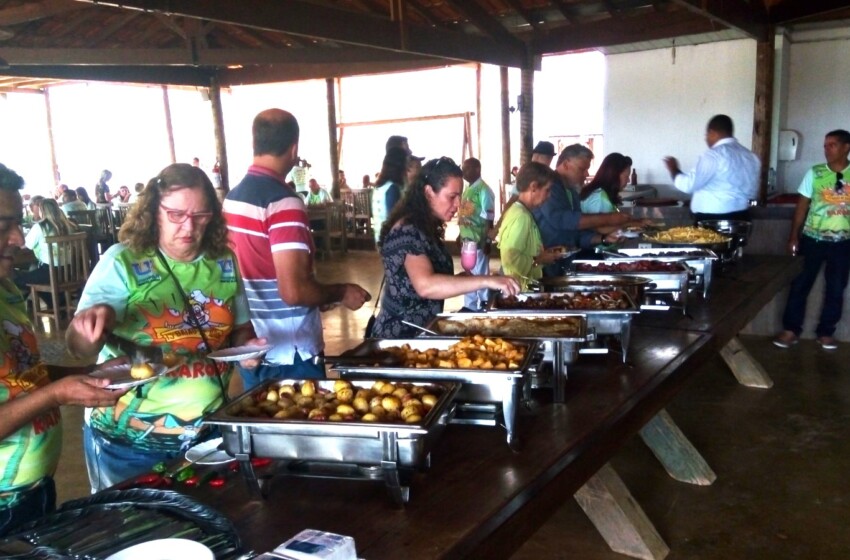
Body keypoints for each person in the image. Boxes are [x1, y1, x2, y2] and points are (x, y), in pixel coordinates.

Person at [65, 163, 263, 492]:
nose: (189, 226)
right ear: (154, 211)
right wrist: (87, 329)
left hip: (206, 435)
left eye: (200, 216)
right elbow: (78, 347)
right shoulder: (121, 263)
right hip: (128, 444)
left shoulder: (224, 262)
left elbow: (240, 329)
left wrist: (249, 350)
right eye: (176, 214)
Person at [0, 162, 123, 536]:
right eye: (5, 226)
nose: (20, 239)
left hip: (31, 492)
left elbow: (19, 378)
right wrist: (56, 395)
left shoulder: (6, 289)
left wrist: (86, 376)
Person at [223, 109, 370, 389]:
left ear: (255, 143)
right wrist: (341, 291)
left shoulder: (233, 198)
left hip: (252, 347)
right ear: (294, 149)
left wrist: (318, 295)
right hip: (291, 352)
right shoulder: (284, 202)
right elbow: (293, 291)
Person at [372, 157, 520, 338]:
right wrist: (486, 280)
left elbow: (419, 283)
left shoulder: (425, 226)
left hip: (422, 330)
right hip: (400, 336)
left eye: (459, 196)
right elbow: (425, 286)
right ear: (428, 192)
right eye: (452, 197)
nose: (458, 204)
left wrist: (463, 280)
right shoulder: (407, 230)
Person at [773, 129, 850, 351]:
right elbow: (802, 206)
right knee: (800, 284)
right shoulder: (815, 173)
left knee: (836, 288)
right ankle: (790, 330)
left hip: (843, 242)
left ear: (846, 148)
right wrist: (793, 235)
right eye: (825, 145)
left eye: (832, 145)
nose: (826, 149)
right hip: (812, 239)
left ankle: (826, 333)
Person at [532, 144, 633, 274]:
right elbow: (563, 220)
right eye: (582, 169)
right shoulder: (550, 187)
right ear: (566, 164)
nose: (586, 174)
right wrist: (609, 219)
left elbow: (577, 235)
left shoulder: (572, 191)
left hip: (565, 265)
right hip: (543, 267)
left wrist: (604, 239)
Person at [663, 114, 761, 223]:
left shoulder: (713, 155)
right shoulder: (751, 157)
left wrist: (674, 169)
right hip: (742, 218)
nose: (706, 139)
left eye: (706, 135)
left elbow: (688, 185)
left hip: (712, 221)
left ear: (712, 132)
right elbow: (752, 194)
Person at [498, 162, 562, 291]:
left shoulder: (521, 211)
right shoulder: (521, 216)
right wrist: (538, 259)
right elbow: (510, 258)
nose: (549, 196)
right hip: (520, 290)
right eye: (547, 190)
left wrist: (543, 254)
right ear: (533, 187)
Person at [14, 199, 78, 300]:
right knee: (36, 280)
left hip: (49, 273)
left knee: (18, 281)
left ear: (42, 210)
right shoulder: (69, 225)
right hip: (70, 271)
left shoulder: (40, 227)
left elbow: (24, 246)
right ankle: (60, 304)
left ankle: (22, 309)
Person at [458, 157, 495, 310]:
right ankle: (470, 305)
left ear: (477, 170)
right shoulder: (468, 188)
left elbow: (489, 218)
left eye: (466, 168)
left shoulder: (484, 190)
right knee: (469, 273)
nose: (463, 171)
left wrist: (487, 241)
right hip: (467, 240)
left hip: (478, 241)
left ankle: (485, 303)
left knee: (480, 274)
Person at [371, 147, 407, 245]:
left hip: (380, 237)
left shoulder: (378, 187)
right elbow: (394, 219)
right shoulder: (392, 189)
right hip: (392, 241)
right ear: (400, 165)